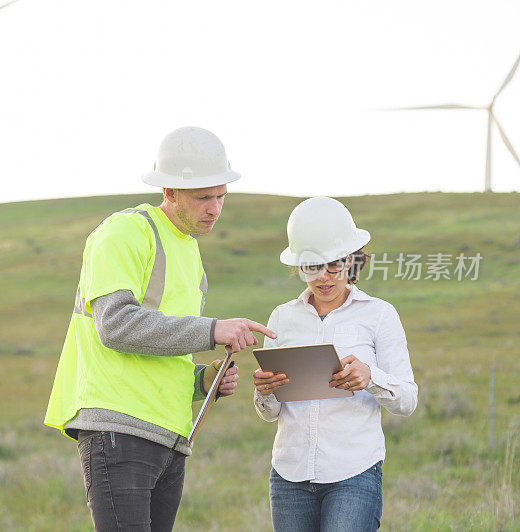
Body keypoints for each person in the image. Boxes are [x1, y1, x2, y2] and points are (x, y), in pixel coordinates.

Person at [44, 126, 276, 531]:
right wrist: (213, 329)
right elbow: (115, 325)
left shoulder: (190, 255)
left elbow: (161, 350)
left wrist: (202, 381)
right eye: (203, 197)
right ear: (168, 191)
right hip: (118, 428)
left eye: (221, 196)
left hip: (170, 438)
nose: (215, 209)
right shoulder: (125, 231)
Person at [253, 196, 418, 532]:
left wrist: (370, 377)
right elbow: (270, 413)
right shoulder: (282, 318)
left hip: (353, 474)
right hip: (289, 475)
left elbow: (408, 399)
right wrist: (265, 393)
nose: (324, 277)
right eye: (312, 267)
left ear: (352, 260)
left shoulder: (379, 315)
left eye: (334, 265)